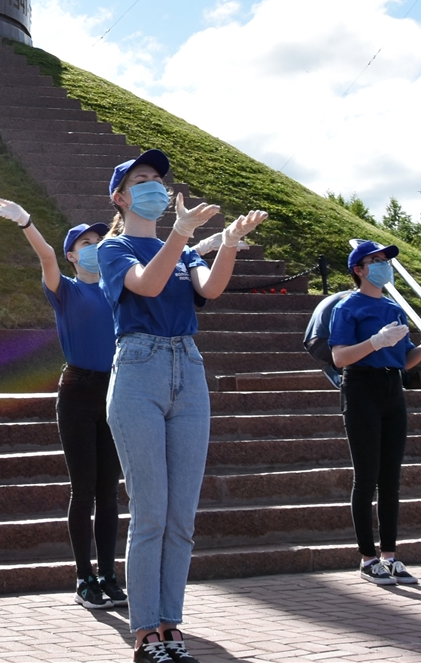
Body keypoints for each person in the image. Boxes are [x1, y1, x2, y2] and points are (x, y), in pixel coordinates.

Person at [94, 149, 263, 663]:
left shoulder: (183, 249)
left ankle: (171, 625)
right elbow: (147, 284)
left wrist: (229, 245)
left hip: (188, 369)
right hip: (139, 370)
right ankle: (146, 633)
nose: (155, 187)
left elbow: (208, 287)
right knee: (151, 513)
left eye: (158, 180)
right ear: (121, 198)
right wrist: (182, 234)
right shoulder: (114, 248)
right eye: (141, 181)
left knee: (181, 517)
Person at [0, 198, 125, 610]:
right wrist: (27, 220)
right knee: (83, 490)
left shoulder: (118, 290)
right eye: (85, 242)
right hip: (78, 392)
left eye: (99, 240)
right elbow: (45, 255)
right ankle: (84, 578)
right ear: (72, 254)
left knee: (110, 491)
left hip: (116, 389)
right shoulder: (64, 288)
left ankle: (109, 574)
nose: (94, 246)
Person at [327, 241, 421, 588]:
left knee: (391, 479)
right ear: (359, 270)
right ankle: (367, 558)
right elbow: (339, 358)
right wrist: (374, 343)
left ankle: (390, 557)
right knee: (366, 477)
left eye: (385, 261)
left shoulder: (395, 308)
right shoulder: (348, 306)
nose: (383, 265)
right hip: (361, 386)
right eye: (375, 261)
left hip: (392, 389)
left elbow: (405, 359)